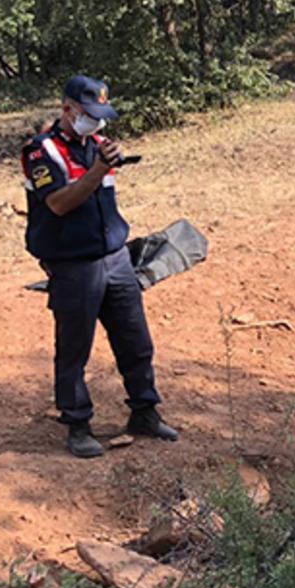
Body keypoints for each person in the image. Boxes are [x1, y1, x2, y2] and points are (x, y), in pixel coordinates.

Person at [22, 75, 178, 459]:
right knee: (74, 347)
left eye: (101, 114)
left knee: (135, 340)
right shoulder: (42, 152)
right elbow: (58, 204)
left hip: (115, 257)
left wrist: (104, 162)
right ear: (68, 109)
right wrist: (96, 170)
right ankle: (77, 424)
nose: (97, 122)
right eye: (89, 114)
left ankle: (144, 410)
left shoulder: (95, 145)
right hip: (73, 265)